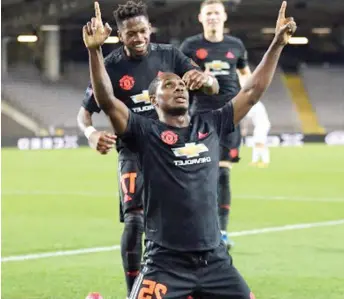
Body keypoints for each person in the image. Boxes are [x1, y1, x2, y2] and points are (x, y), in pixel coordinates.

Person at [83, 1, 296, 298]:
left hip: (216, 263)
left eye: (181, 84)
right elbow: (106, 100)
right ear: (154, 100)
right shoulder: (144, 134)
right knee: (133, 222)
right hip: (166, 265)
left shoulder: (211, 124)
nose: (179, 86)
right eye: (169, 85)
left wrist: (276, 44)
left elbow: (251, 91)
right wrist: (95, 51)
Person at [77, 1, 219, 297]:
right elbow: (85, 112)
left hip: (174, 151)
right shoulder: (112, 67)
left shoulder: (170, 56)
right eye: (131, 33)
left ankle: (188, 283)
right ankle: (135, 291)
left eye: (143, 31)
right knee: (135, 219)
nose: (139, 38)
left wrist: (205, 80)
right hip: (135, 152)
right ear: (119, 34)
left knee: (178, 216)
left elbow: (212, 87)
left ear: (149, 29)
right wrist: (91, 133)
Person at [180, 0, 252, 249]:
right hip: (200, 116)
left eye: (216, 13)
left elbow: (245, 74)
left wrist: (249, 98)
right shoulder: (190, 46)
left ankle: (221, 232)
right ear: (200, 18)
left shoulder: (236, 46)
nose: (212, 17)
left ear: (224, 17)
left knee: (222, 174)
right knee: (198, 175)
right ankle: (196, 227)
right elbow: (178, 77)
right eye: (208, 13)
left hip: (231, 117)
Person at [242, 101, 271, 167]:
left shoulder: (255, 105)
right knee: (256, 143)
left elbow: (247, 117)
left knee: (260, 143)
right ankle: (254, 161)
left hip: (262, 125)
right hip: (259, 125)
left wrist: (245, 128)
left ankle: (265, 162)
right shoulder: (256, 104)